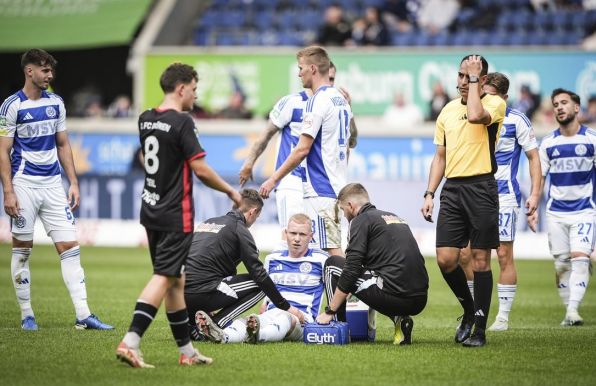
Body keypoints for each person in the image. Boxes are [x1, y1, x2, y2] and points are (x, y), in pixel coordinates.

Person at [116, 62, 241, 368]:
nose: (195, 96)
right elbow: (199, 169)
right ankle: (130, 342)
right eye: (195, 89)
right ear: (182, 88)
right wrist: (230, 191)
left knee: (177, 281)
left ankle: (187, 352)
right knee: (165, 276)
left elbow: (147, 158)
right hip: (175, 213)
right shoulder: (183, 122)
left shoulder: (146, 119)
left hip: (150, 207)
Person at [0, 49, 113, 331]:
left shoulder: (57, 103)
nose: (50, 75)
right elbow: (3, 151)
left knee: (70, 248)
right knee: (22, 250)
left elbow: (63, 144)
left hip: (53, 185)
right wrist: (8, 191)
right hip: (24, 184)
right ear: (29, 71)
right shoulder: (11, 106)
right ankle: (27, 314)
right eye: (44, 70)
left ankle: (83, 315)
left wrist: (73, 182)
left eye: (51, 70)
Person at [420, 55, 506, 347]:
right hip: (453, 190)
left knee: (481, 260)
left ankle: (479, 330)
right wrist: (430, 193)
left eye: (467, 76)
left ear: (482, 80)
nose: (460, 81)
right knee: (446, 259)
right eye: (459, 75)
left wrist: (474, 81)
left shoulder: (494, 104)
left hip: (481, 186)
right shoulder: (445, 111)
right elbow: (440, 156)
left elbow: (474, 116)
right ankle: (469, 311)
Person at [459, 72, 542, 332]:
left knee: (503, 254)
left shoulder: (517, 120)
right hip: (473, 193)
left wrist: (535, 194)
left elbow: (533, 157)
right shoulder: (472, 113)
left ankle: (503, 317)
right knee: (465, 255)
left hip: (504, 196)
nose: (489, 99)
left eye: (494, 95)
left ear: (505, 97)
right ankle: (474, 311)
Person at [238, 62, 357, 239]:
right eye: (327, 78)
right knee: (292, 237)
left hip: (321, 184)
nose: (330, 84)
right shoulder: (291, 103)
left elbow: (352, 141)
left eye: (332, 79)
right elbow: (266, 135)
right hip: (291, 181)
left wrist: (349, 111)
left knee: (322, 241)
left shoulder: (336, 106)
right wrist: (249, 163)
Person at [259, 46, 352, 257]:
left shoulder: (316, 101)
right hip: (337, 185)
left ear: (312, 69)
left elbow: (302, 149)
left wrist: (273, 179)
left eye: (301, 68)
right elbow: (348, 145)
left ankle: (352, 290)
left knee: (332, 252)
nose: (299, 73)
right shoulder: (342, 101)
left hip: (321, 188)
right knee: (323, 251)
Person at [185, 189, 305, 343]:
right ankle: (216, 324)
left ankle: (191, 325)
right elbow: (259, 274)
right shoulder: (239, 229)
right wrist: (286, 307)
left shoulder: (208, 222)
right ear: (253, 212)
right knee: (261, 284)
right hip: (204, 291)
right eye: (257, 216)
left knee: (207, 279)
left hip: (180, 294)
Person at [316, 183, 429, 346]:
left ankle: (338, 327)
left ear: (350, 205)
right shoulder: (394, 217)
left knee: (333, 264)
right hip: (420, 299)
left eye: (342, 210)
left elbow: (351, 269)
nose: (343, 215)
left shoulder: (360, 220)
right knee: (371, 276)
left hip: (396, 297)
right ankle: (399, 318)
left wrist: (330, 310)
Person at [199, 213, 329, 344]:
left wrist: (331, 314)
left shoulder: (322, 259)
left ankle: (258, 335)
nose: (296, 239)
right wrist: (265, 303)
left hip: (303, 320)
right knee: (247, 321)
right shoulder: (272, 258)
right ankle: (223, 336)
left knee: (284, 318)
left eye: (302, 234)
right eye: (293, 233)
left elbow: (334, 288)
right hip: (273, 312)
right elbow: (268, 287)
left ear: (311, 237)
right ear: (286, 233)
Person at [537, 88, 595, 326]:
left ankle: (572, 311)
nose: (559, 107)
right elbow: (539, 177)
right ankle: (568, 308)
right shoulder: (548, 143)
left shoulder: (591, 140)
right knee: (561, 263)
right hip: (556, 213)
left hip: (585, 211)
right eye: (556, 104)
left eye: (564, 103)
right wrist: (532, 204)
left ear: (576, 108)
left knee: (580, 258)